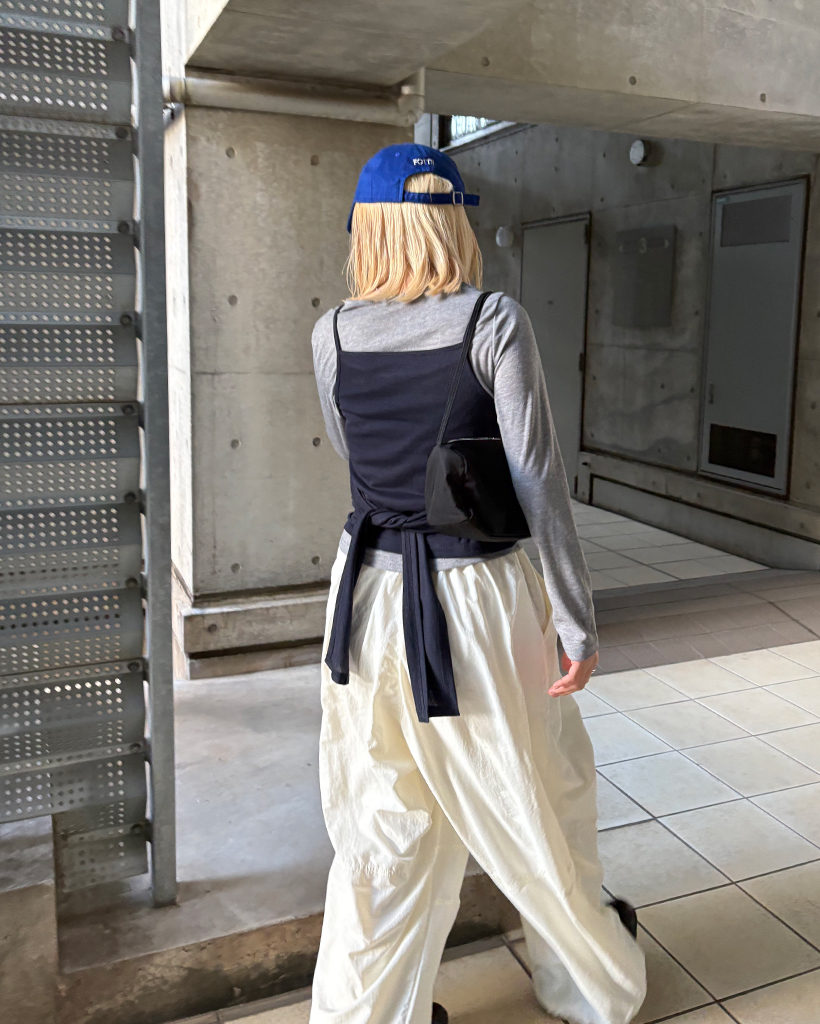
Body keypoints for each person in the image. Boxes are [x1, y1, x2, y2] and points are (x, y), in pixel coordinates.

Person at [308, 143, 646, 1024]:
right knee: (535, 798)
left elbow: (354, 454)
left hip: (364, 597)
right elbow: (538, 480)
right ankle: (588, 989)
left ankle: (368, 1015)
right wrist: (575, 619)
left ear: (366, 228)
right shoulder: (493, 321)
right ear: (454, 221)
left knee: (381, 818)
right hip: (476, 600)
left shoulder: (332, 333)